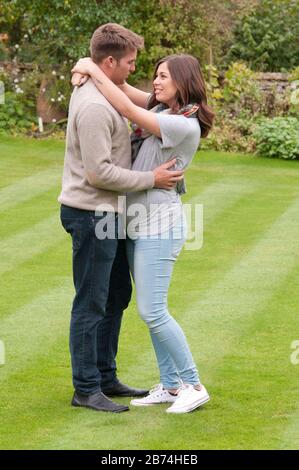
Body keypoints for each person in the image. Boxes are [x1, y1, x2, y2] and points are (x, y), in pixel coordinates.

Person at [71, 52, 215, 414]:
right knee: (149, 310)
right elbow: (123, 87)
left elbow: (129, 108)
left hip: (160, 227)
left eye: (163, 76)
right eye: (154, 75)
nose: (155, 81)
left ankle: (193, 384)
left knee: (154, 311)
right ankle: (169, 385)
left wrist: (90, 68)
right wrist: (85, 66)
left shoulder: (184, 123)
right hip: (137, 223)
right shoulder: (167, 112)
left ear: (182, 81)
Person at [58, 23, 184, 414]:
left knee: (115, 295)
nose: (134, 69)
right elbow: (99, 174)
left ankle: (105, 375)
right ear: (109, 62)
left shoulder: (103, 90)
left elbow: (136, 103)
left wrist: (89, 66)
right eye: (129, 63)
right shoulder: (95, 106)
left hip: (108, 213)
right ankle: (86, 388)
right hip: (92, 213)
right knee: (92, 301)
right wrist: (153, 178)